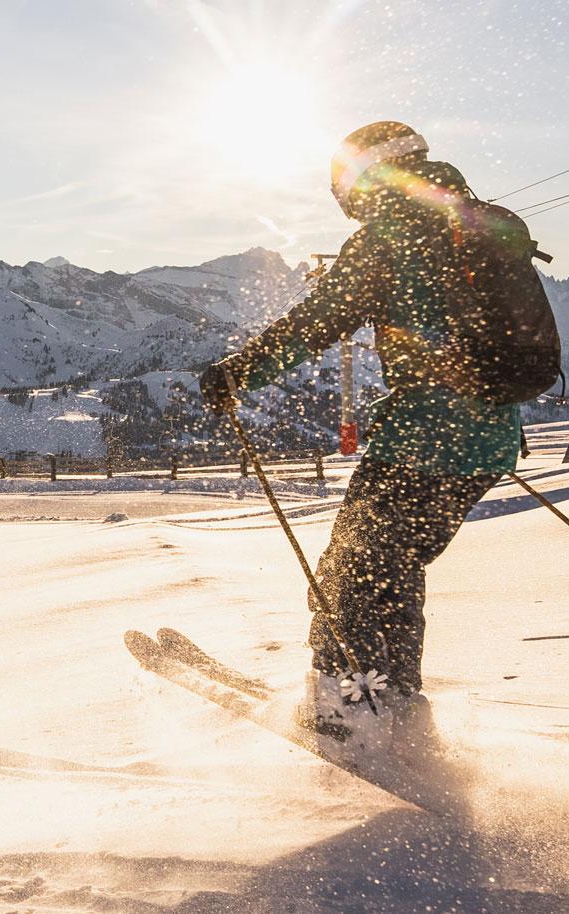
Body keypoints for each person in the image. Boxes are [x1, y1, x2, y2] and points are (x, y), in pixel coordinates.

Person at [200, 121, 523, 738]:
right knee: (392, 567)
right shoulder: (473, 222)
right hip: (486, 440)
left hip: (427, 439)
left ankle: (345, 714)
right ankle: (393, 704)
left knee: (353, 573)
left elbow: (315, 323)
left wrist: (240, 371)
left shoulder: (389, 238)